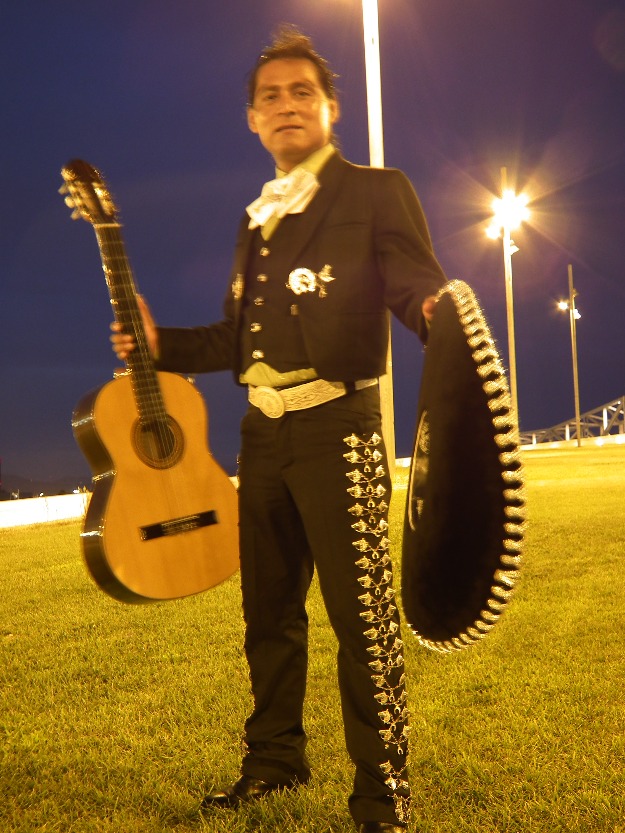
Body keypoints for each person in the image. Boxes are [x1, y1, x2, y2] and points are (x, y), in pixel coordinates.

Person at [111, 25, 447, 833]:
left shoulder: (375, 190)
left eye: (302, 92)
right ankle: (273, 761)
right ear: (251, 122)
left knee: (360, 618)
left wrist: (437, 311)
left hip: (341, 424)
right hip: (261, 437)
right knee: (268, 614)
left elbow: (412, 286)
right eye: (270, 96)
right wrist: (162, 348)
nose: (286, 104)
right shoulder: (257, 219)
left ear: (331, 109)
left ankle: (381, 789)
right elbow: (236, 341)